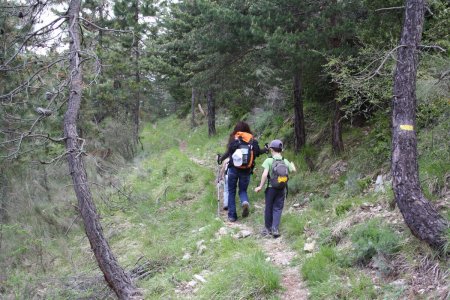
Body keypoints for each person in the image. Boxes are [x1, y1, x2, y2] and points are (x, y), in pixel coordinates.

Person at [218, 121, 267, 222]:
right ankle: (244, 202)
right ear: (247, 129)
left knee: (231, 191)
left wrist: (220, 159)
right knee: (243, 190)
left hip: (233, 169)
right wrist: (265, 150)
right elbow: (257, 153)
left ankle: (232, 216)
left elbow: (229, 152)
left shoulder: (235, 138)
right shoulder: (252, 140)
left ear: (237, 129)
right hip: (246, 170)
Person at [254, 139, 296, 238]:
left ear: (271, 150)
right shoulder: (284, 161)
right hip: (281, 189)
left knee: (268, 208)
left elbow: (264, 174)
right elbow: (293, 170)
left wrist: (260, 186)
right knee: (278, 208)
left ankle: (267, 229)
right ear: (281, 150)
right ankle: (275, 229)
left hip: (270, 188)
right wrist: (293, 166)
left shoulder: (269, 160)